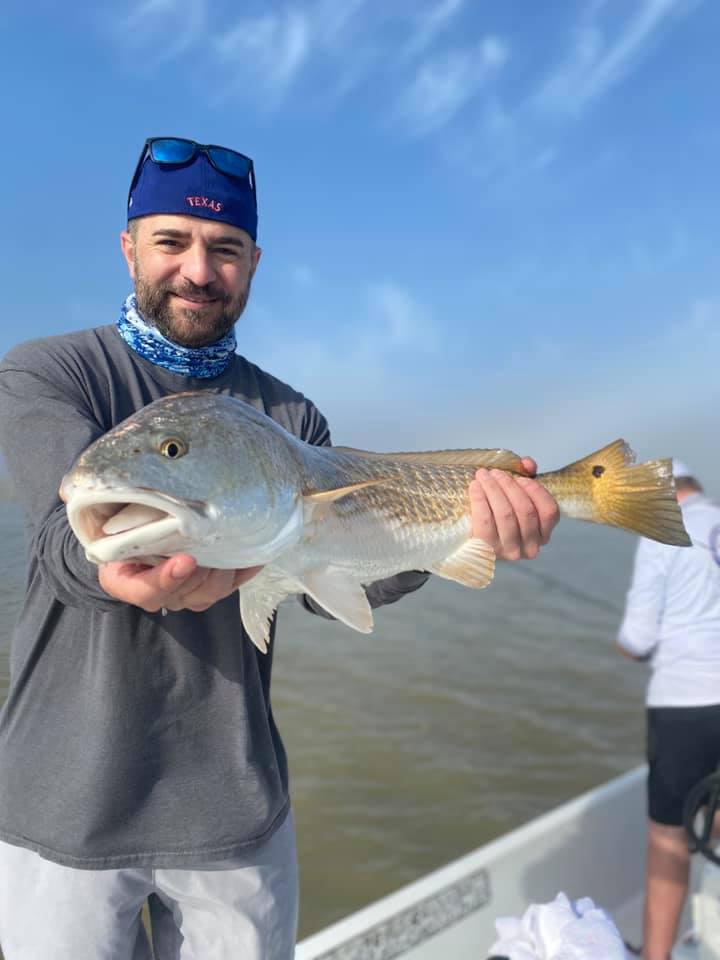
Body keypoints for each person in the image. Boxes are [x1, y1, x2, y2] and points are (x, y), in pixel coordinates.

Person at [0, 136, 560, 960]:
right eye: (171, 242)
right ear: (128, 247)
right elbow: (59, 540)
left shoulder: (291, 416)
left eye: (224, 249)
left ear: (254, 263)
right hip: (61, 806)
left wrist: (471, 527)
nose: (198, 270)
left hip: (236, 808)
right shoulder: (51, 373)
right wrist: (117, 578)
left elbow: (335, 572)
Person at [616, 460, 720, 960]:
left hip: (684, 704)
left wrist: (630, 649)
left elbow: (637, 638)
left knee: (668, 837)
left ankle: (655, 956)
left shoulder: (662, 533)